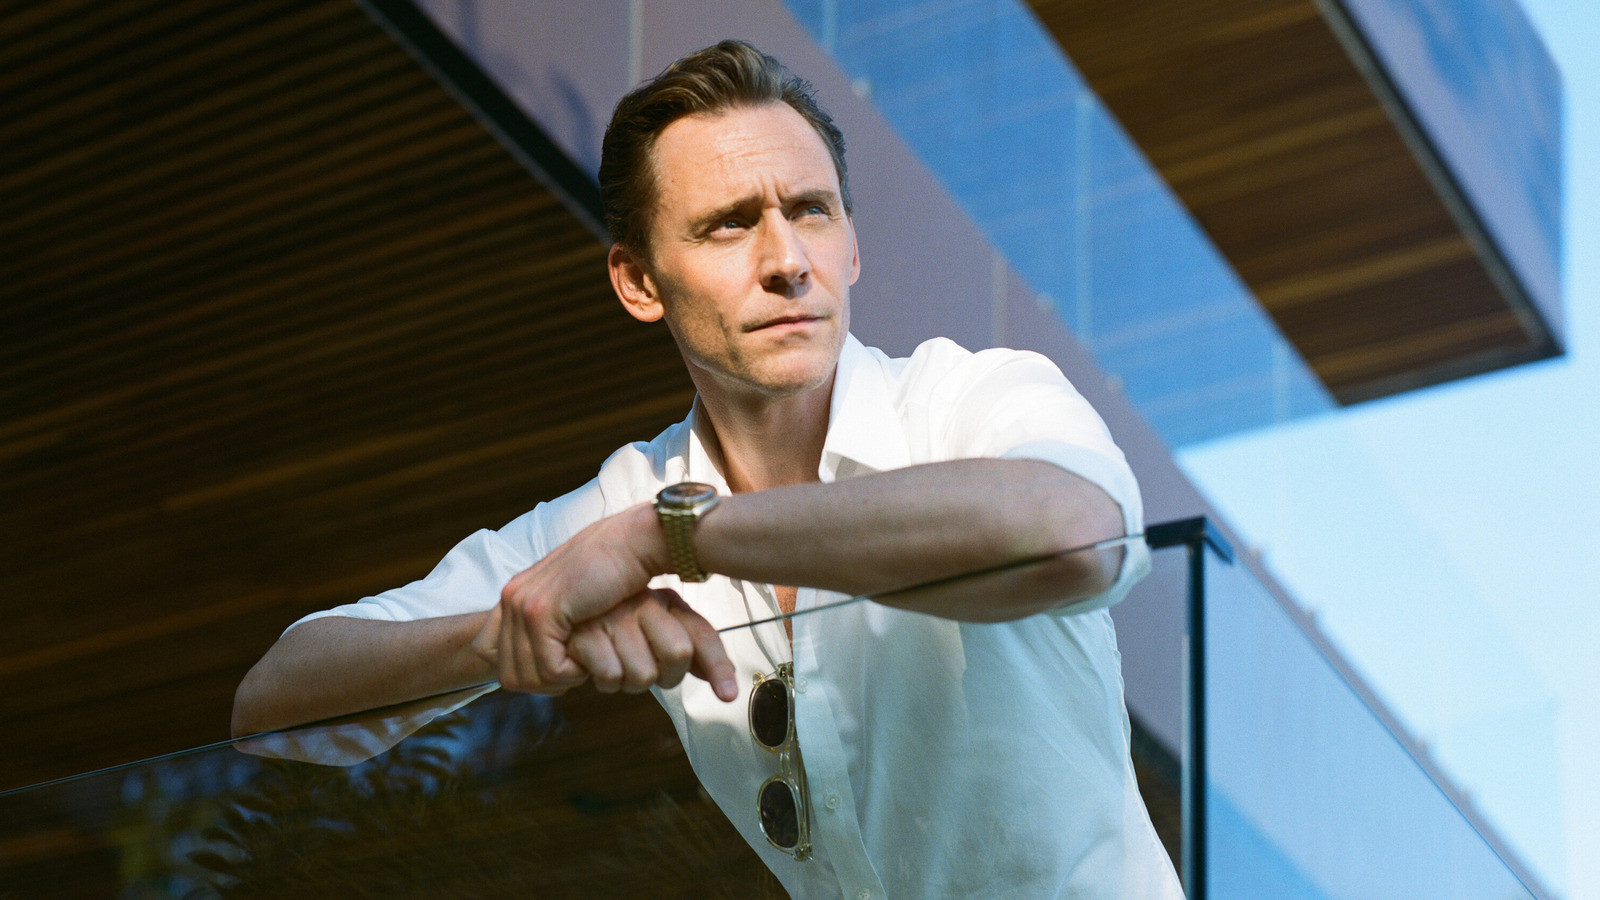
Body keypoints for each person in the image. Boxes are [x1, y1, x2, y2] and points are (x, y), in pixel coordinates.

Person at [233, 40, 1182, 899]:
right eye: (729, 224)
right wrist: (515, 630)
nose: (787, 260)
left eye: (810, 211)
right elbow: (273, 705)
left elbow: (1075, 536)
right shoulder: (617, 504)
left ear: (853, 245)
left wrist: (674, 537)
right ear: (639, 282)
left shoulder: (971, 399)